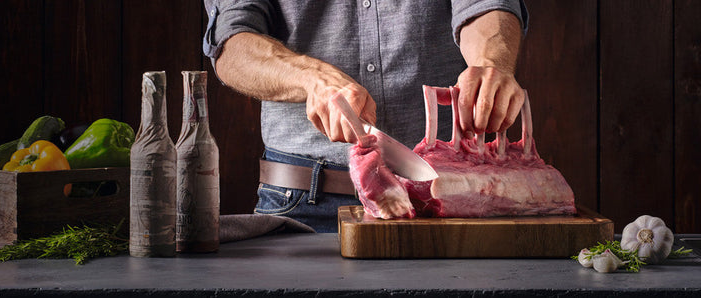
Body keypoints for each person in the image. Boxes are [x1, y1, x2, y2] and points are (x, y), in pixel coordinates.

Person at [202, 0, 528, 232]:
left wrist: (490, 62)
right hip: (300, 203)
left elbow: (486, 5)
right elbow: (232, 42)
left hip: (445, 196)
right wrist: (309, 78)